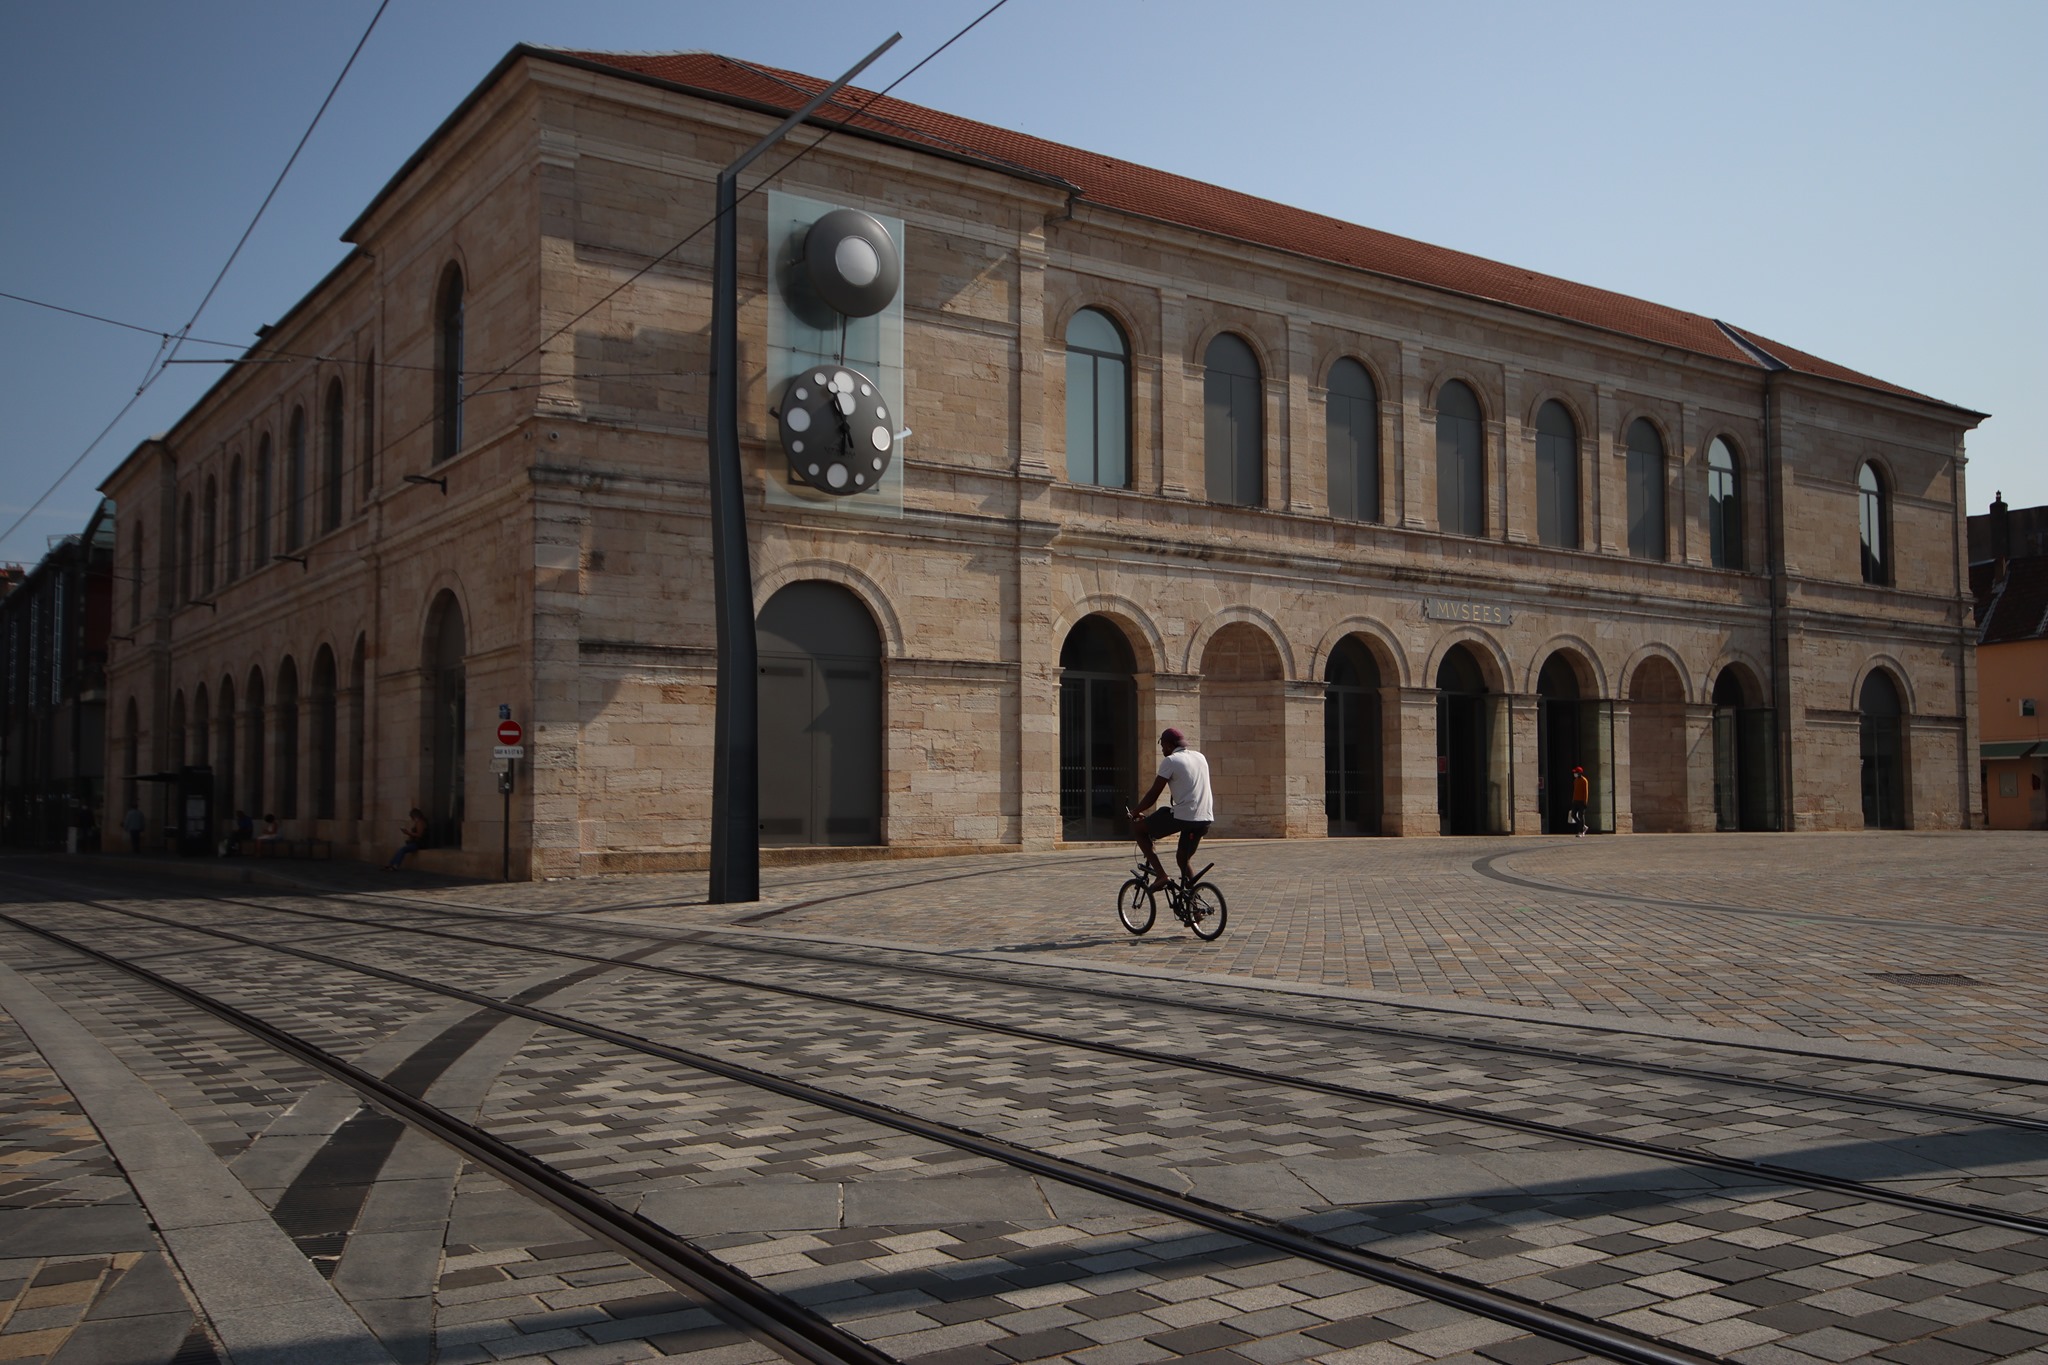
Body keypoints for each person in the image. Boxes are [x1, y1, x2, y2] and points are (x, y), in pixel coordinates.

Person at [1130, 728, 1214, 893]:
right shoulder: (1200, 757)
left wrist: (1135, 811)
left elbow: (1154, 793)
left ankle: (1161, 875)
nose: (1162, 749)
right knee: (1183, 859)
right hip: (1205, 818)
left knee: (1139, 829)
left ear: (1168, 745)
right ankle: (1194, 907)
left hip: (1185, 817)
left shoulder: (1171, 761)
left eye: (1162, 745)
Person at [1569, 765, 1590, 838]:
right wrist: (1573, 800)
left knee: (1581, 816)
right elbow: (1575, 791)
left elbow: (1586, 792)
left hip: (1581, 801)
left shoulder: (1584, 780)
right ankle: (1583, 826)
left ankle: (1581, 831)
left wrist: (1585, 802)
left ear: (1580, 773)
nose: (1575, 774)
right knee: (1573, 815)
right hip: (1575, 800)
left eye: (1576, 773)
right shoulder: (1575, 780)